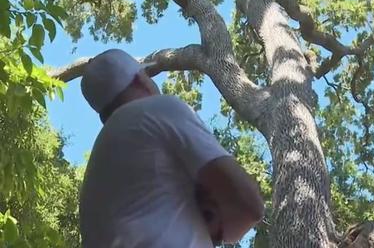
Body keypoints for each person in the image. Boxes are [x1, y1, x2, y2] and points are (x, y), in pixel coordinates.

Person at [79, 49, 264, 247]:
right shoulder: (159, 110)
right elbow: (248, 206)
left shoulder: (96, 173)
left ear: (102, 115)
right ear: (139, 80)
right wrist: (216, 229)